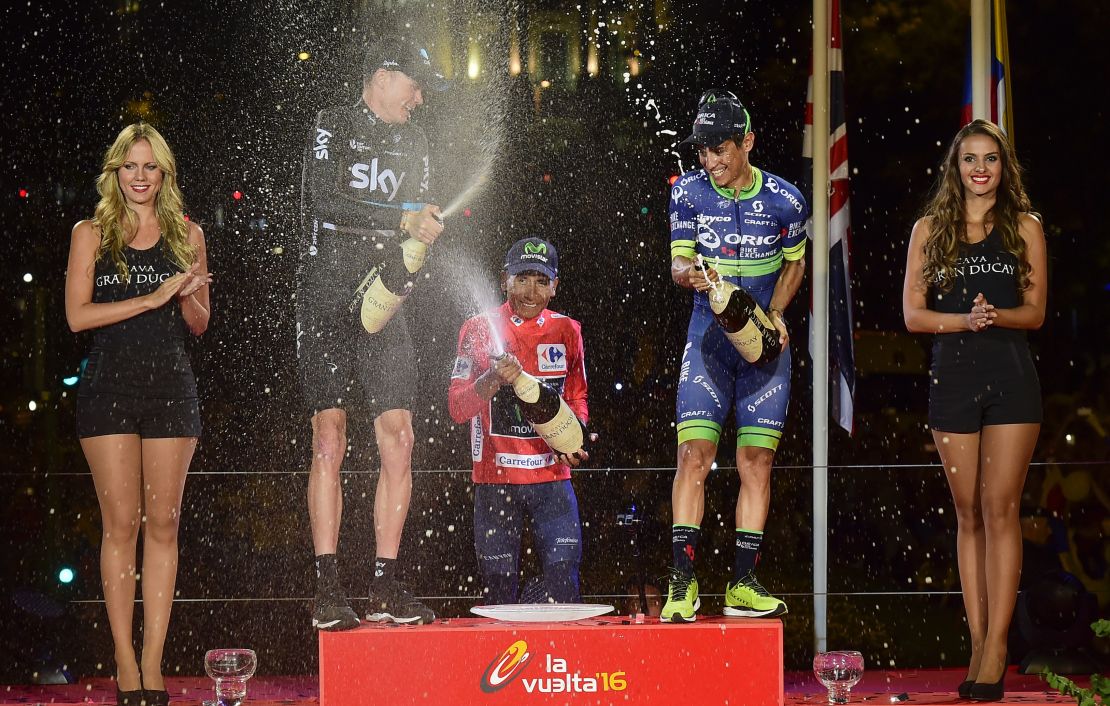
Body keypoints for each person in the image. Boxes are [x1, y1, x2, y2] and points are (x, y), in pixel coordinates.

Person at [297, 36, 447, 630]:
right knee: (330, 439)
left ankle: (385, 582)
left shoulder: (416, 141)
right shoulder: (332, 123)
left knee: (400, 436)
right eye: (414, 85)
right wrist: (402, 218)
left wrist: (416, 257)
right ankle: (327, 586)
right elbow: (323, 198)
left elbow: (420, 227)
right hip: (327, 297)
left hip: (386, 301)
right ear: (384, 75)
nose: (419, 98)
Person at [65, 123, 211, 706]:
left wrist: (190, 295)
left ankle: (155, 665)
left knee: (165, 526)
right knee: (120, 525)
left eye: (151, 167)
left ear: (165, 174)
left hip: (171, 390)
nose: (141, 176)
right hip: (108, 391)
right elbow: (77, 316)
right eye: (131, 165)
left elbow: (199, 324)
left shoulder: (189, 234)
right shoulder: (90, 233)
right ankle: (124, 662)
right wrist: (153, 297)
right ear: (115, 172)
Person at [903, 119, 1046, 702]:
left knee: (1000, 508)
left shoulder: (1026, 228)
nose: (980, 168)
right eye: (970, 159)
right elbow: (914, 315)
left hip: (1010, 377)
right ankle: (978, 638)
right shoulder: (929, 229)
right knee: (968, 515)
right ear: (955, 168)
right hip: (952, 378)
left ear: (1002, 167)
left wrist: (996, 316)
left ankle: (998, 649)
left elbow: (1035, 311)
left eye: (990, 159)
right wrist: (964, 320)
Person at [663, 90, 807, 623]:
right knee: (692, 457)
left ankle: (743, 582)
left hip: (763, 352)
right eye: (702, 151)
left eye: (720, 149)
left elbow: (796, 264)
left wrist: (773, 315)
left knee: (757, 463)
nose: (710, 162)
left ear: (747, 141)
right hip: (707, 344)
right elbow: (679, 263)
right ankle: (683, 583)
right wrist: (689, 275)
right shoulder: (688, 194)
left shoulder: (787, 201)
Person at [448, 237, 589, 604]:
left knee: (564, 588)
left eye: (542, 281)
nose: (531, 291)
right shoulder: (478, 327)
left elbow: (577, 398)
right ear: (503, 280)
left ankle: (554, 650)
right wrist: (492, 379)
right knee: (499, 599)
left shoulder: (568, 330)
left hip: (552, 483)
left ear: (555, 286)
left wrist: (575, 441)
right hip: (496, 483)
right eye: (522, 278)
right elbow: (457, 408)